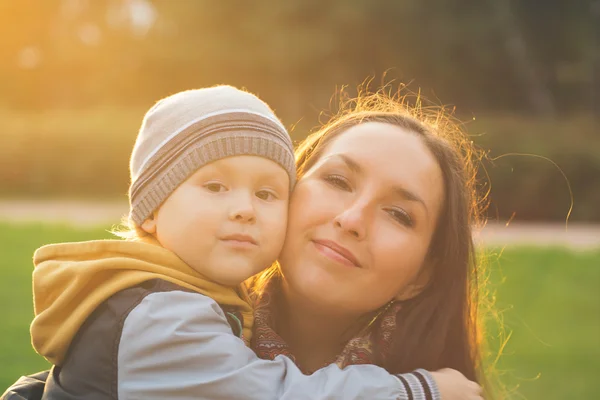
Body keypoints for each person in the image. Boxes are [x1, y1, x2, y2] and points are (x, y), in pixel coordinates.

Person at [1, 86, 483, 400]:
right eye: (337, 180)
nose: (353, 219)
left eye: (399, 214)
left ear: (424, 272)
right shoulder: (168, 317)